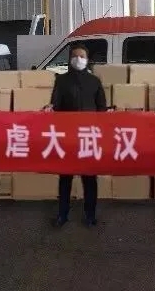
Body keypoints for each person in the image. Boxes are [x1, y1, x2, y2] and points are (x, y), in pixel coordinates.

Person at [46, 43, 107, 228]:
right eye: (75, 56)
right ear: (70, 59)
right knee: (65, 178)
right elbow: (55, 104)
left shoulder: (94, 81)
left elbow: (101, 108)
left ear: (87, 60)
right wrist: (50, 108)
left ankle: (90, 215)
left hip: (88, 136)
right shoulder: (61, 80)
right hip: (68, 136)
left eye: (82, 56)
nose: (78, 59)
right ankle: (62, 214)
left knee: (89, 179)